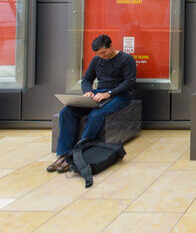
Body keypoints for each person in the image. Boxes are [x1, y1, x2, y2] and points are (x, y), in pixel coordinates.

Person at [47, 34, 136, 172]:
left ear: (111, 46)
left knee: (96, 114)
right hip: (98, 93)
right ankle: (64, 154)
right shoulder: (97, 60)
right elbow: (87, 80)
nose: (102, 56)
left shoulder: (126, 59)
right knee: (67, 111)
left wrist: (109, 93)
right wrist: (88, 92)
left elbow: (129, 83)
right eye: (98, 54)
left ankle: (79, 153)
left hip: (119, 95)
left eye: (103, 52)